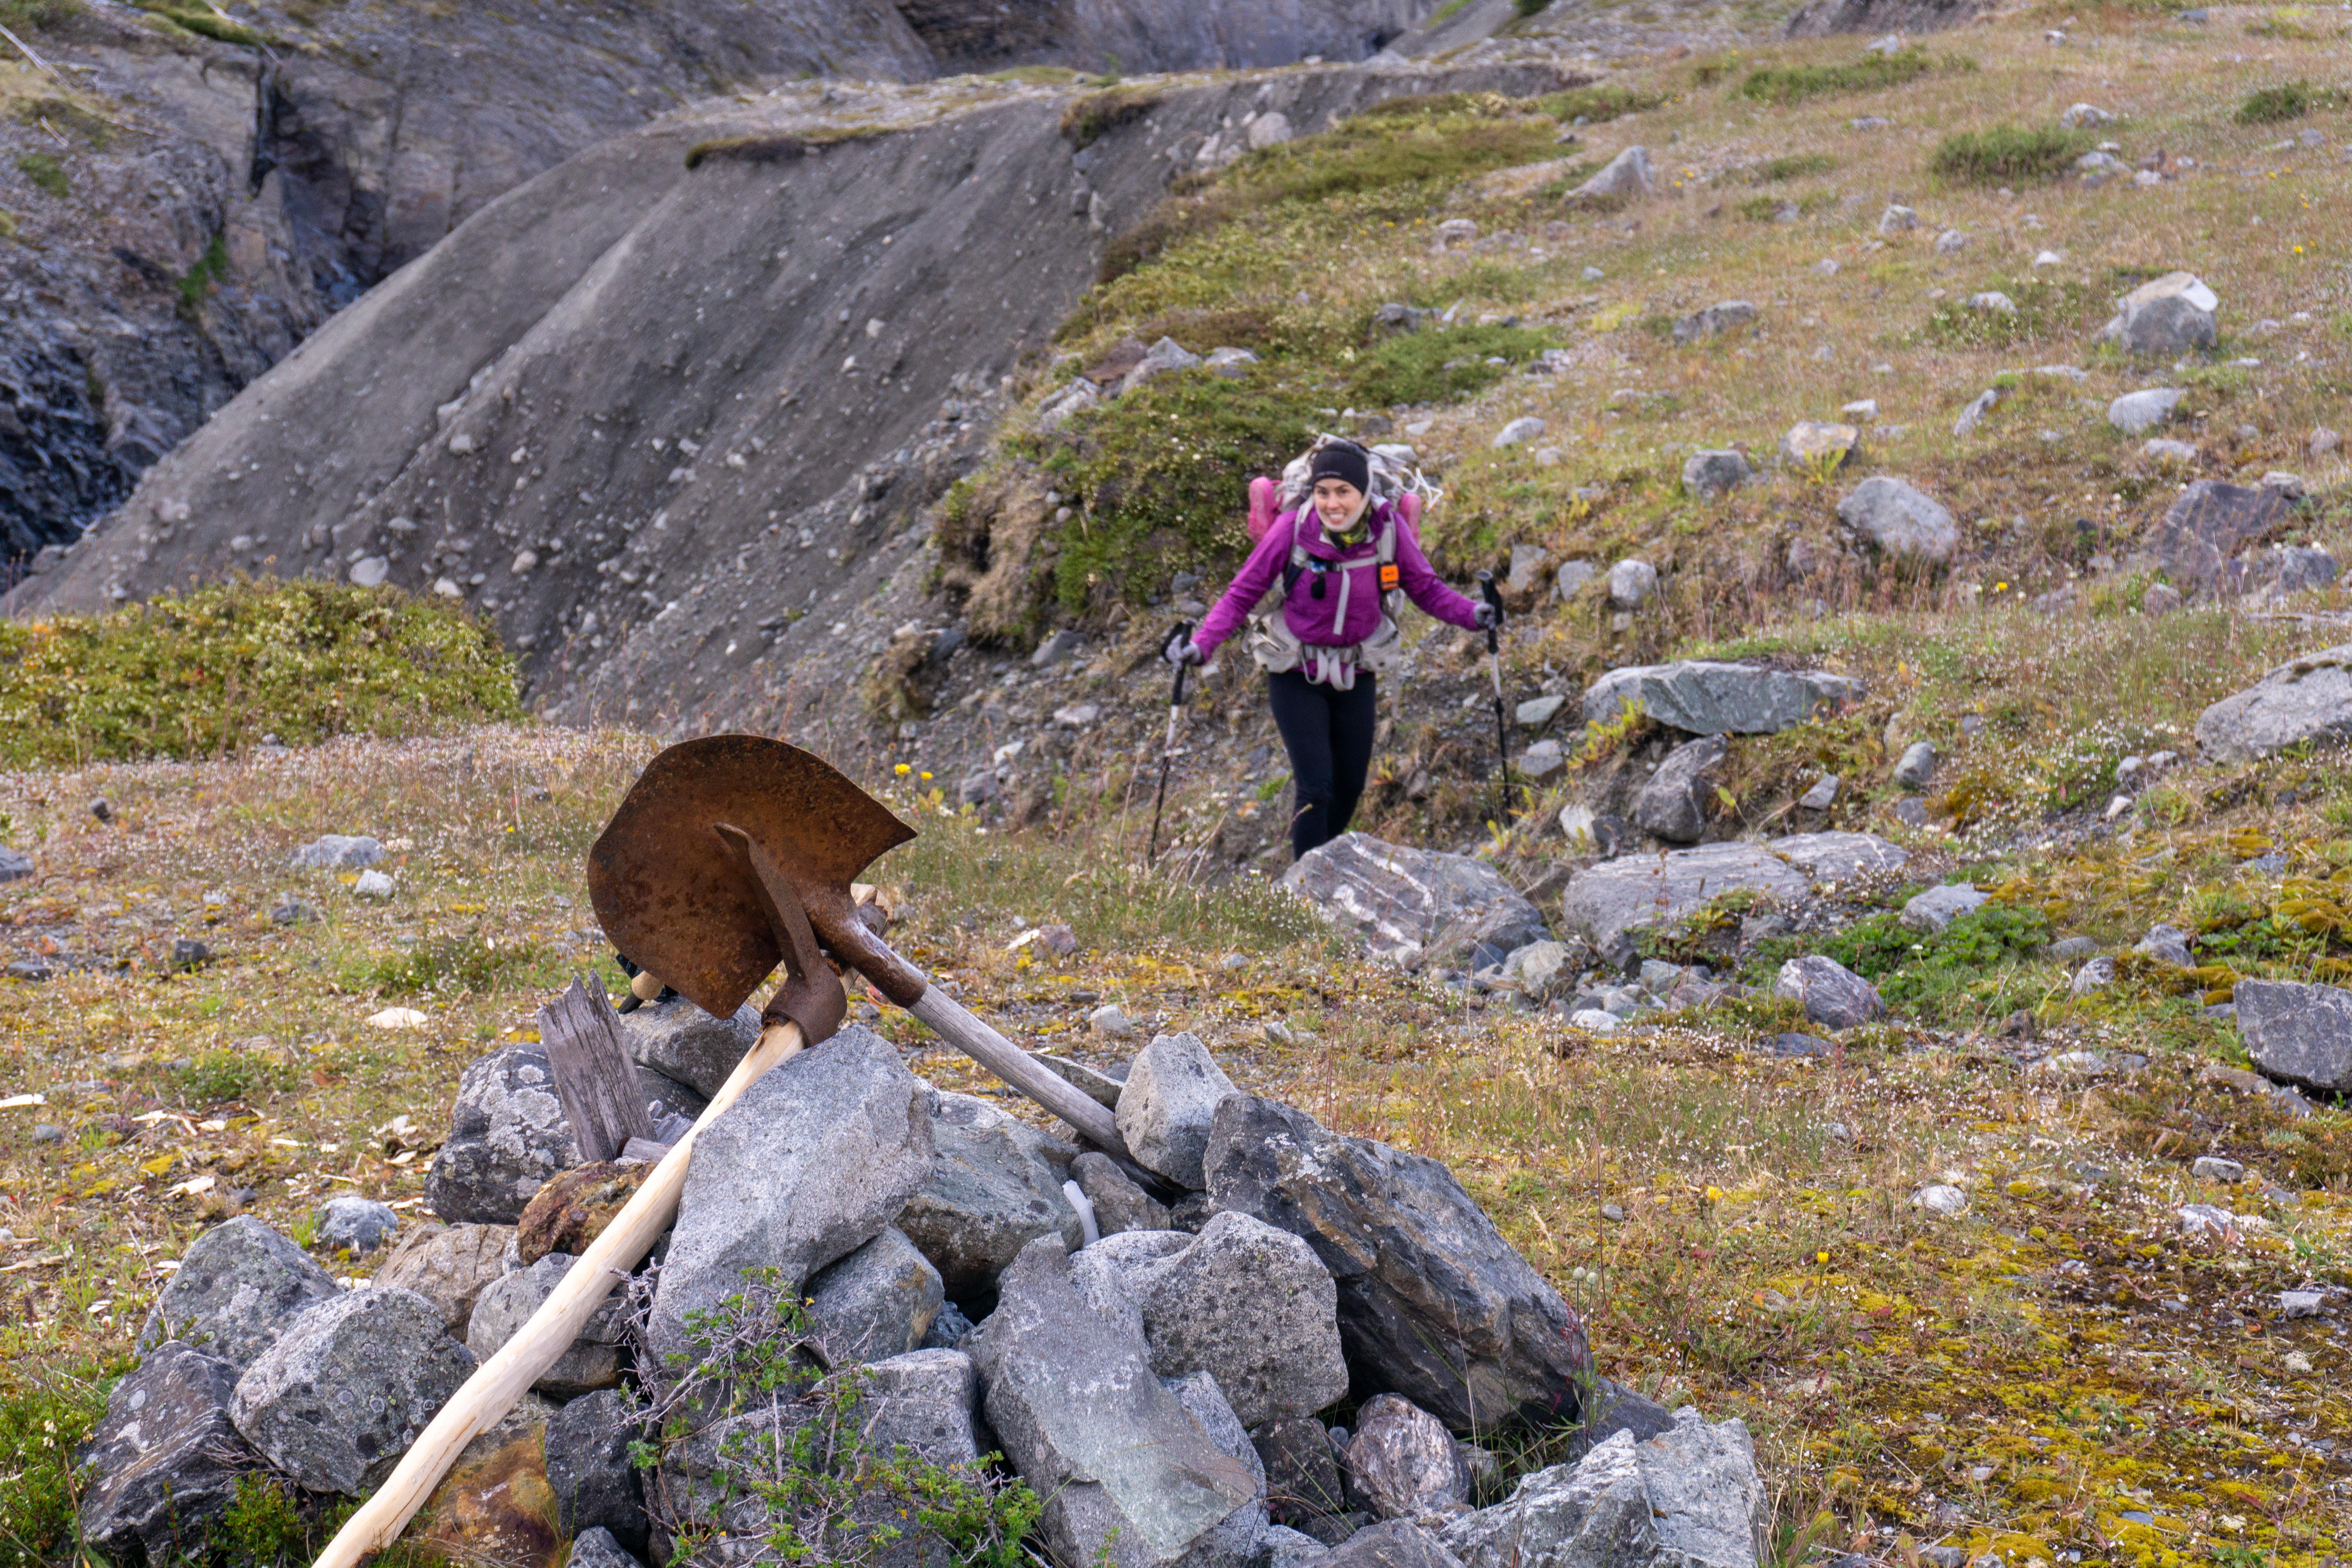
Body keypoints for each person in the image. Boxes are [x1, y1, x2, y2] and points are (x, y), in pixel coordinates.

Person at [1169, 439, 1501, 860]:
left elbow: (1427, 589)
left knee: (1350, 787)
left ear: (1364, 493)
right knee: (1316, 789)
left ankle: (1321, 867)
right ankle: (1308, 886)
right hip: (1295, 673)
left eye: (1343, 492)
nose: (1332, 503)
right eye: (1323, 492)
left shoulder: (1388, 530)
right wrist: (1201, 645)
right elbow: (1242, 594)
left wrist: (1473, 614)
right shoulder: (1292, 529)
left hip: (1357, 672)